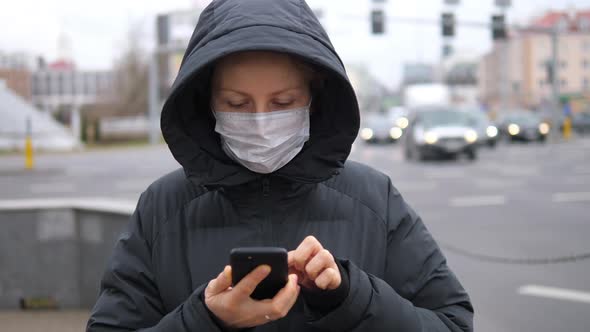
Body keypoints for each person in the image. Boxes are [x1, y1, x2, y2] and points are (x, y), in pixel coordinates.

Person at [87, 0, 474, 331]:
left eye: (283, 102)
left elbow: (452, 323)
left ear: (314, 98)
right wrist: (205, 319)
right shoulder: (163, 208)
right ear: (205, 103)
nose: (259, 121)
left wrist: (352, 297)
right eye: (237, 104)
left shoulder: (375, 200)